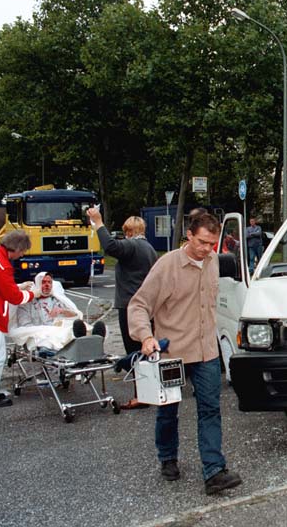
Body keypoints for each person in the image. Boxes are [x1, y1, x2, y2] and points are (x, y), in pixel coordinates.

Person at [128, 212, 242, 495]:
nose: (207, 249)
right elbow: (139, 305)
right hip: (172, 354)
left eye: (213, 244)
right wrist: (145, 336)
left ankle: (214, 471)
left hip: (206, 352)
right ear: (189, 235)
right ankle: (167, 457)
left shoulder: (213, 261)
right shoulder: (167, 266)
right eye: (202, 242)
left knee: (211, 410)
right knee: (168, 412)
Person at [87, 207, 157, 409]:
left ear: (128, 232)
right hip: (146, 304)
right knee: (147, 349)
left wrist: (98, 222)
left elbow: (110, 246)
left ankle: (141, 396)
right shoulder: (149, 248)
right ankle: (149, 392)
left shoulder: (132, 246)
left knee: (134, 350)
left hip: (130, 306)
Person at [0, 230, 36, 408]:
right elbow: (14, 298)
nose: (23, 254)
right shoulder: (3, 266)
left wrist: (18, 286)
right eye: (23, 251)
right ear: (17, 248)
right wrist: (33, 293)